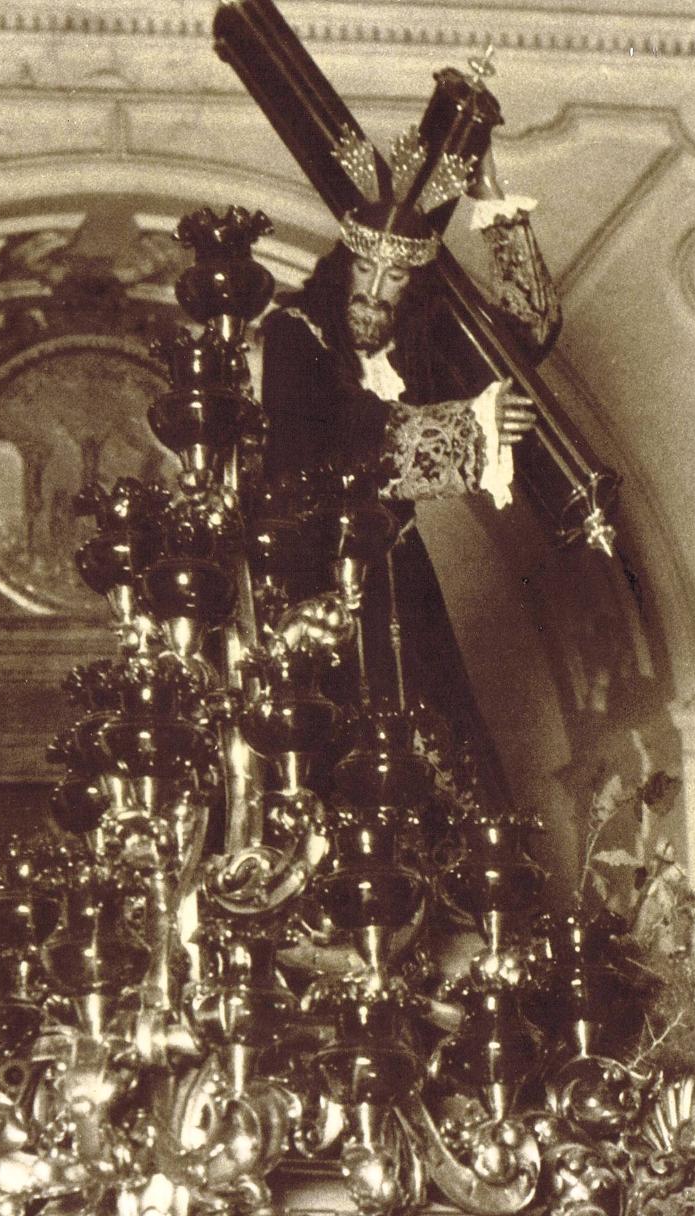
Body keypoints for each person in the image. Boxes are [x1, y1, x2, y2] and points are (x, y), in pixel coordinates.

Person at [259, 140, 560, 794]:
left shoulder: (414, 353)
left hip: (400, 571)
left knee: (438, 750)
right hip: (315, 575)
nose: (372, 291)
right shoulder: (294, 336)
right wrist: (469, 432)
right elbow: (328, 444)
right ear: (343, 266)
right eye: (364, 269)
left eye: (393, 278)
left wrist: (494, 201)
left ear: (412, 287)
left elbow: (529, 332)